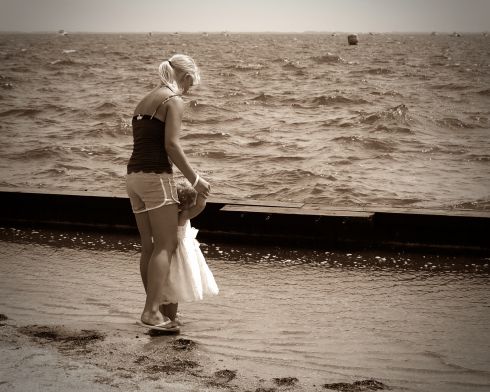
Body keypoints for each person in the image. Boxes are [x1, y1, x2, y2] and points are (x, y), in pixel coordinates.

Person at [126, 54, 211, 332]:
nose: (187, 92)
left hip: (134, 177)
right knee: (167, 244)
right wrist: (195, 180)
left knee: (149, 247)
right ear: (185, 78)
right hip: (155, 177)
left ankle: (159, 309)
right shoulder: (173, 99)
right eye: (189, 86)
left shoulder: (145, 99)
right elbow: (172, 146)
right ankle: (152, 311)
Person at [162, 182, 219, 305]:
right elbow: (200, 206)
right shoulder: (184, 215)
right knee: (176, 287)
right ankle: (172, 317)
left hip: (166, 248)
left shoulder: (167, 214)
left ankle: (163, 312)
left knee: (166, 286)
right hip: (180, 252)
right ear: (189, 203)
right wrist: (203, 194)